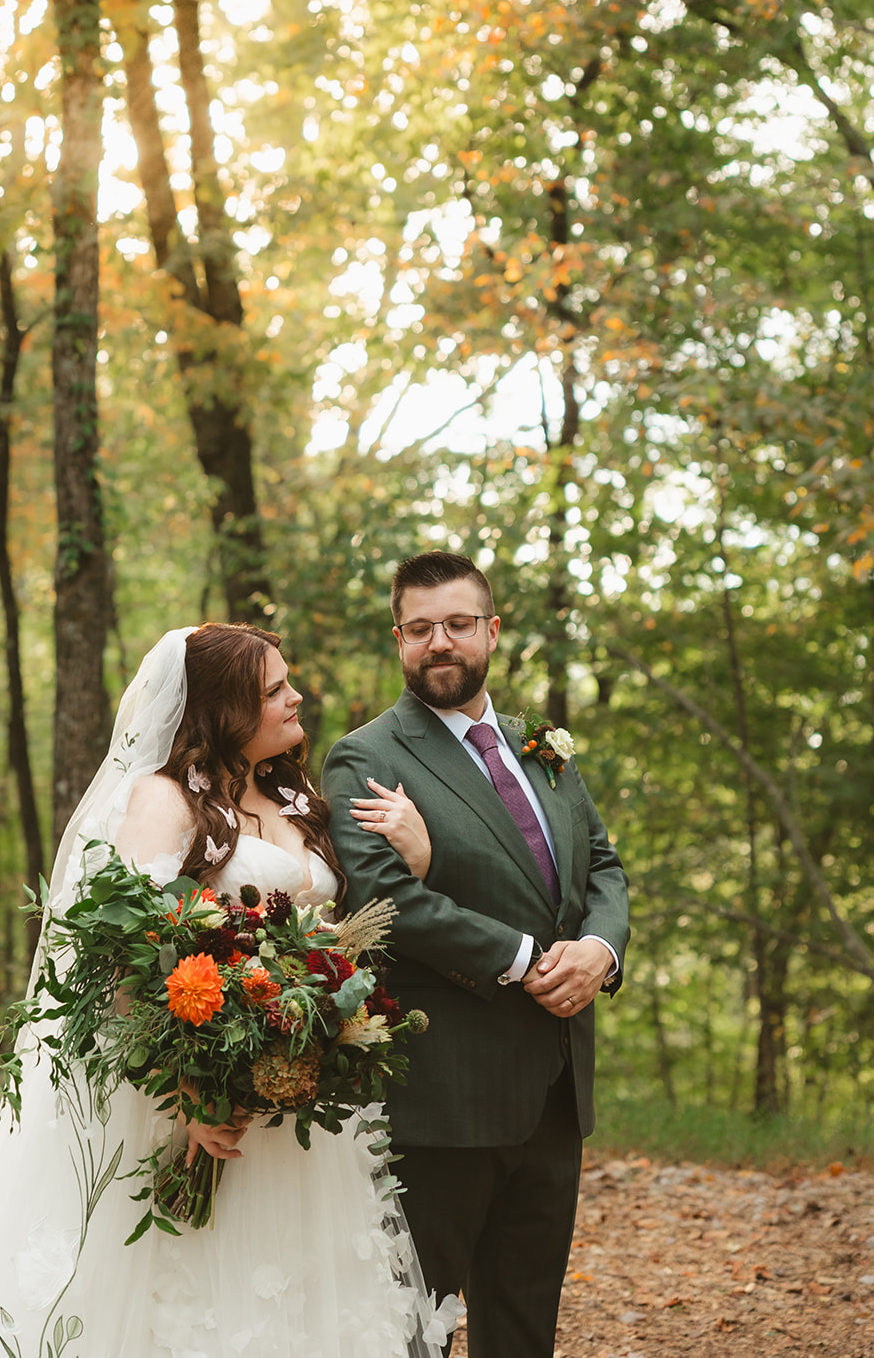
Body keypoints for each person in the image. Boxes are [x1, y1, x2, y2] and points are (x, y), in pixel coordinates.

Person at [0, 623, 455, 1358]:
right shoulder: (163, 801)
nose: (295, 698)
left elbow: (339, 937)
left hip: (296, 1095)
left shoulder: (293, 794)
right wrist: (187, 1091)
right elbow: (117, 955)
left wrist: (415, 861)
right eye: (273, 690)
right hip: (192, 1099)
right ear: (223, 709)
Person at [322, 552, 630, 1358]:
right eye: (419, 628)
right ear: (397, 640)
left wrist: (598, 947)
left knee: (525, 1322)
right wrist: (529, 960)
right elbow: (386, 904)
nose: (439, 642)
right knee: (412, 1327)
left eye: (457, 624)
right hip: (444, 1094)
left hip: (555, 1086)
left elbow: (600, 864)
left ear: (491, 632)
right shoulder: (368, 757)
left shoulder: (538, 742)